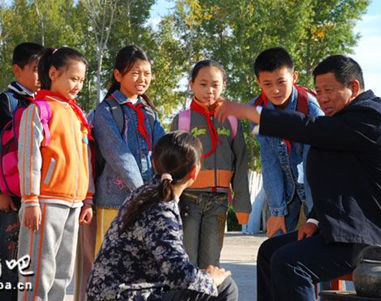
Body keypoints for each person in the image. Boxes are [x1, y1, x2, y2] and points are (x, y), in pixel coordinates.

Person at [215, 55, 381, 301]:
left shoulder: (371, 116)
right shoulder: (343, 122)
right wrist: (314, 219)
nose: (322, 98)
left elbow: (309, 128)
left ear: (353, 87)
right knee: (270, 251)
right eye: (318, 91)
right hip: (344, 230)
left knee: (290, 263)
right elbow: (340, 183)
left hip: (369, 238)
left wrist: (252, 113)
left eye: (329, 90)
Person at [86, 131, 238, 301]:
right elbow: (177, 274)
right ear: (194, 172)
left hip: (112, 292)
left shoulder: (144, 193)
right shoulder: (162, 209)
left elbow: (173, 267)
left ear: (154, 162)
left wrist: (199, 276)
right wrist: (211, 279)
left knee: (201, 282)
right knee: (225, 287)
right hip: (123, 295)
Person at [17, 47, 94, 301]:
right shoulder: (38, 110)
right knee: (37, 274)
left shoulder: (76, 114)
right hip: (45, 203)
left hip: (73, 204)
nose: (78, 85)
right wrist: (30, 200)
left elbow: (85, 160)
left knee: (62, 275)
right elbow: (29, 158)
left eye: (82, 80)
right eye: (73, 78)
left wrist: (88, 199)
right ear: (53, 73)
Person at [171, 59, 251, 268]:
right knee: (186, 261)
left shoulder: (232, 120)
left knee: (211, 263)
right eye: (203, 84)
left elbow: (241, 162)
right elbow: (172, 164)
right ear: (191, 85)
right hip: (188, 200)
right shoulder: (182, 121)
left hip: (219, 202)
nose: (209, 90)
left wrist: (242, 205)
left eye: (215, 84)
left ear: (224, 84)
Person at [0, 42, 44, 301]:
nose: (43, 76)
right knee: (1, 258)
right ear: (17, 70)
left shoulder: (40, 104)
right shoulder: (7, 102)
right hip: (3, 196)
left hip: (24, 194)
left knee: (20, 261)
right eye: (37, 69)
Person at [91, 45, 165, 256]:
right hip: (114, 199)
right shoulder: (105, 111)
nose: (142, 78)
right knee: (109, 259)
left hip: (146, 199)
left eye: (147, 73)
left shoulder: (150, 113)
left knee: (137, 261)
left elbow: (161, 152)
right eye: (135, 73)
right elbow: (118, 155)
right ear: (118, 75)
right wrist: (143, 194)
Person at [249, 47, 323, 238]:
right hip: (284, 189)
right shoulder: (256, 110)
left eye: (281, 82)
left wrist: (314, 216)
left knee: (315, 243)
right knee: (276, 243)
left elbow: (313, 163)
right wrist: (276, 211)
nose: (275, 90)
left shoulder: (312, 109)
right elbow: (269, 160)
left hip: (313, 186)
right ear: (258, 82)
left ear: (294, 77)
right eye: (267, 83)